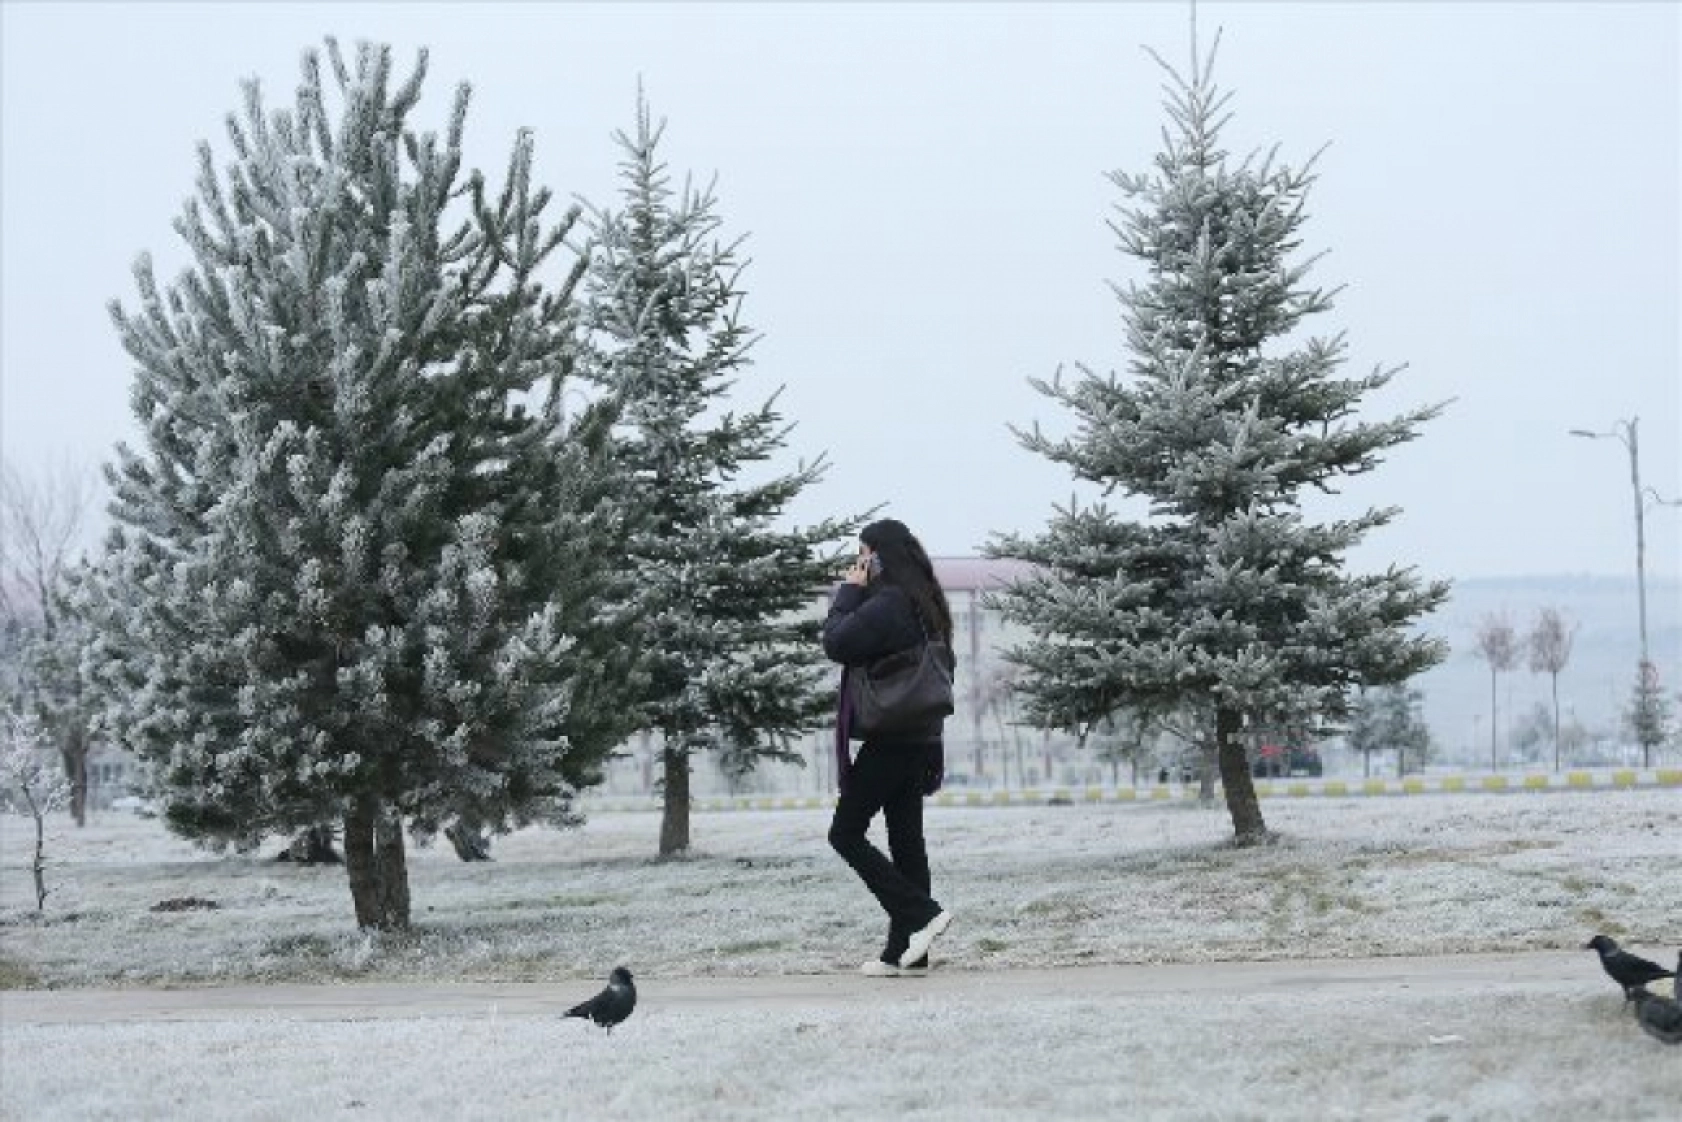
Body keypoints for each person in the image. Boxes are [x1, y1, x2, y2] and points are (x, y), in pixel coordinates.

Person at [821, 518, 955, 977]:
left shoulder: (890, 603)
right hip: (920, 735)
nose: (860, 563)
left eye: (864, 555)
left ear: (878, 556)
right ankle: (905, 954)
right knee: (905, 840)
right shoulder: (924, 601)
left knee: (845, 832)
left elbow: (837, 641)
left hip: (892, 737)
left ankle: (922, 915)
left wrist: (848, 591)